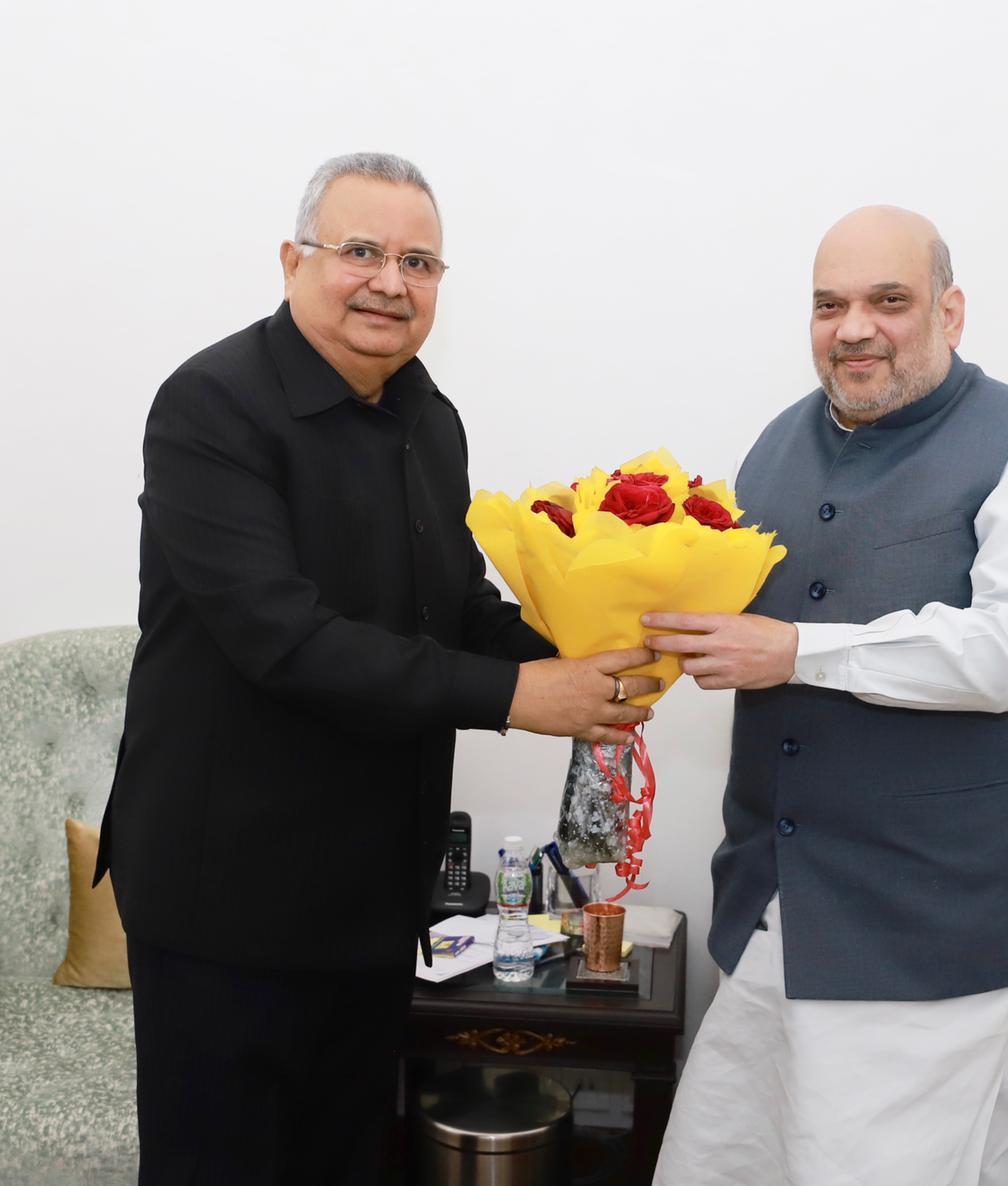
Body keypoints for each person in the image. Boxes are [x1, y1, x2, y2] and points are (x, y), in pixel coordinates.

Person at [94, 152, 659, 1186]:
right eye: (358, 250)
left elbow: (458, 611)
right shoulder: (209, 406)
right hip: (226, 897)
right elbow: (285, 637)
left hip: (368, 897)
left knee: (347, 1158)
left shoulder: (427, 420)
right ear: (291, 260)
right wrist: (519, 698)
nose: (389, 282)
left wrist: (593, 662)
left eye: (418, 260)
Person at [644, 206, 1008, 1186]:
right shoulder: (775, 444)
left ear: (949, 309)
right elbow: (728, 618)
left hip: (932, 947)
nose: (852, 326)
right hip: (770, 919)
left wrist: (798, 651)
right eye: (828, 304)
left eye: (885, 301)